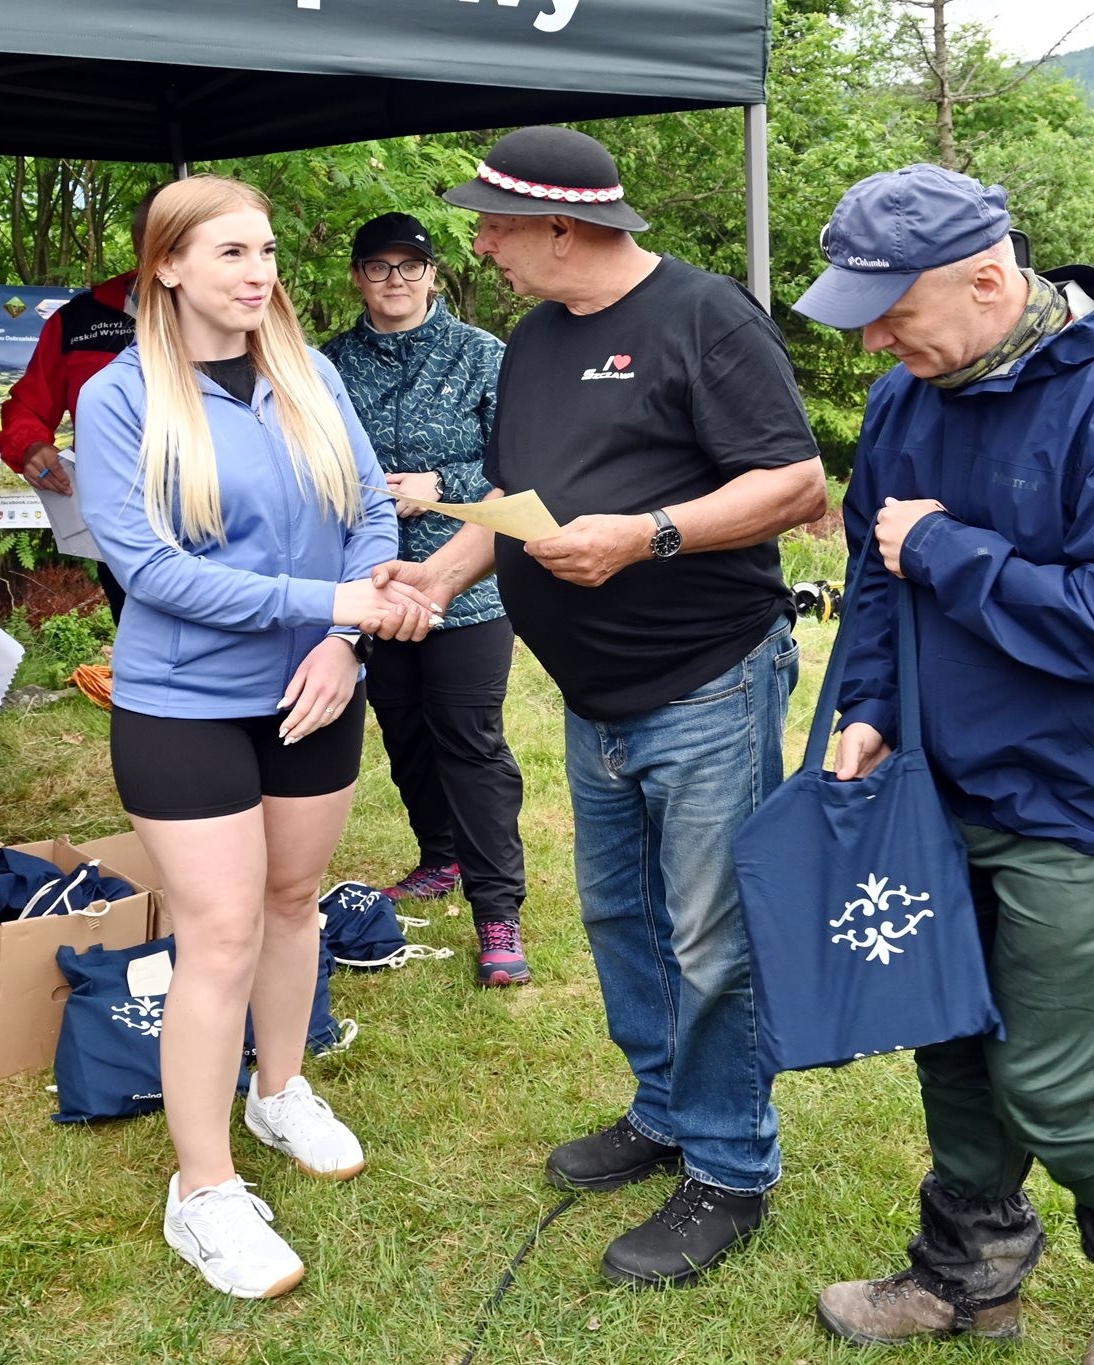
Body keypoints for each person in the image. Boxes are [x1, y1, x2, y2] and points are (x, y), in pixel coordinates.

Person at [377, 125, 828, 1286]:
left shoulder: (705, 317)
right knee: (623, 917)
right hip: (593, 697)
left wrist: (648, 535)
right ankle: (664, 1111)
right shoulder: (534, 337)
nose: (480, 247)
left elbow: (794, 483)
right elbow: (514, 497)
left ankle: (729, 1168)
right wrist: (437, 575)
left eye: (494, 226)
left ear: (562, 226)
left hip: (707, 681)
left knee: (711, 937)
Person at [791, 164, 1094, 1365]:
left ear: (987, 281)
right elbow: (876, 578)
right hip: (934, 785)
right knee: (945, 1038)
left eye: (891, 312)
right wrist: (870, 705)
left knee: (1049, 1085)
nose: (873, 342)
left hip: (1082, 797)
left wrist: (946, 549)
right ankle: (965, 1277)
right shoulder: (903, 399)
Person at [76, 174, 435, 1300]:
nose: (258, 273)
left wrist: (346, 644)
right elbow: (151, 570)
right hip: (184, 702)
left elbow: (367, 513)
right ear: (168, 266)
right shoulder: (119, 397)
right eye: (230, 253)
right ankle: (203, 1191)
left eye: (266, 251)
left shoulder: (307, 371)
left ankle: (279, 1091)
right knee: (220, 931)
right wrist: (328, 606)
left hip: (317, 686)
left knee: (292, 902)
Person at [320, 212, 530, 986]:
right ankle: (440, 854)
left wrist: (443, 485)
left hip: (469, 585)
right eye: (379, 267)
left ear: (434, 275)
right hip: (370, 584)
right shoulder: (328, 365)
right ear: (358, 278)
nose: (396, 280)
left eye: (411, 266)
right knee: (404, 731)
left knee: (469, 740)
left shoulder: (483, 356)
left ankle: (498, 912)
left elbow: (523, 465)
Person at [0, 184, 165, 621]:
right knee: (141, 637)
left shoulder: (235, 315)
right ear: (140, 242)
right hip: (119, 522)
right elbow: (27, 405)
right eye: (162, 237)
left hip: (224, 518)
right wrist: (31, 446)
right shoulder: (79, 318)